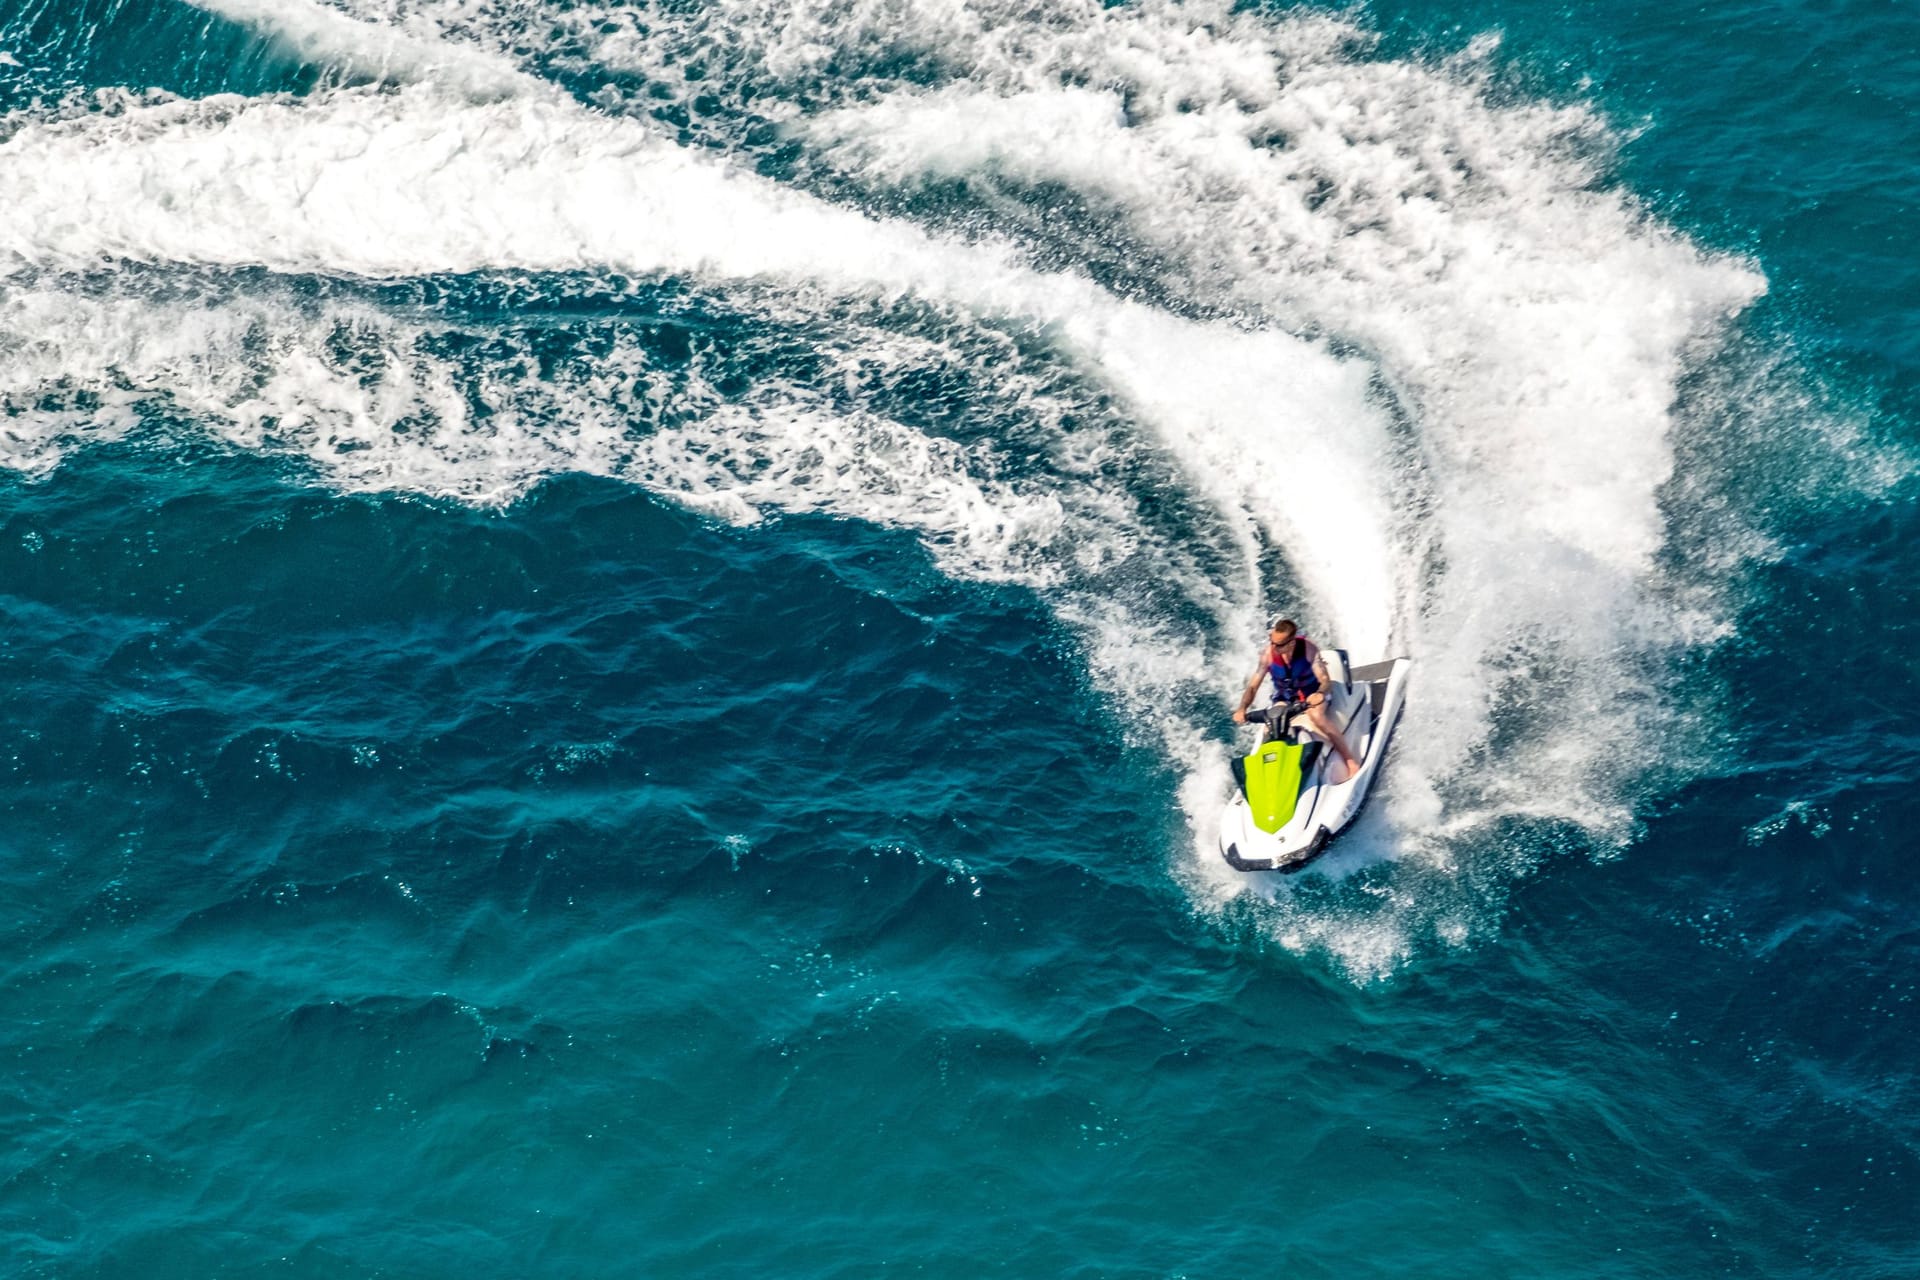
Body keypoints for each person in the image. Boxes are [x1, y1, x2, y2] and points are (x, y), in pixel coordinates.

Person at [1232, 617, 1362, 780]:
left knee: (1316, 716)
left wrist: (1320, 693)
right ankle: (1261, 775)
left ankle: (1349, 760)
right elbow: (1252, 686)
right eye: (1271, 641)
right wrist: (1242, 708)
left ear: (1291, 643)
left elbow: (1324, 680)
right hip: (1285, 698)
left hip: (1312, 694)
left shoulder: (1309, 650)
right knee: (1270, 724)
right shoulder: (1267, 655)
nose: (1273, 646)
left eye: (1278, 644)